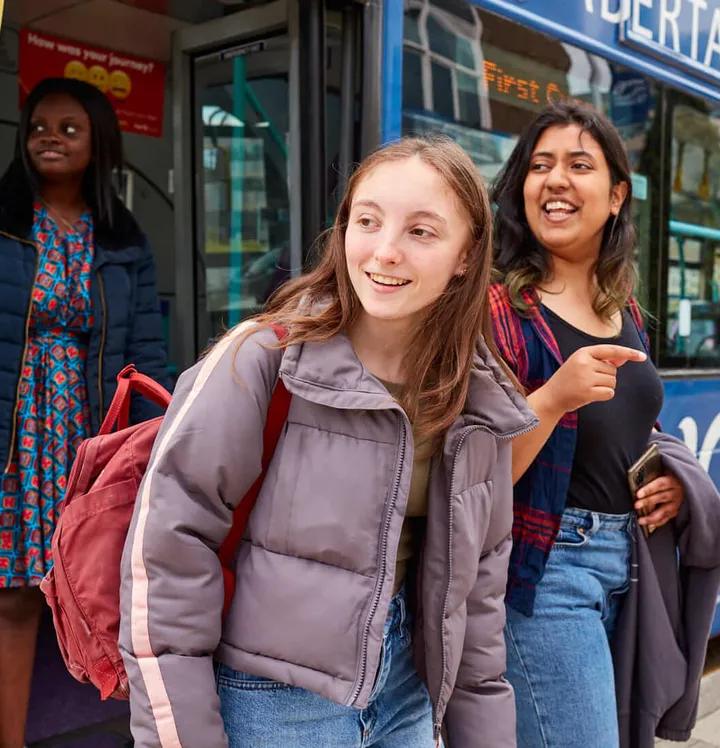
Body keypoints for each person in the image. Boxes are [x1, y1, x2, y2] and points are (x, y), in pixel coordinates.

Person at [119, 137, 534, 748]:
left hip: (406, 695)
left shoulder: (475, 398)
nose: (385, 251)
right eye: (367, 221)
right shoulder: (259, 360)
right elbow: (165, 562)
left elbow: (475, 607)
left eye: (422, 231)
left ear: (467, 255)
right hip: (272, 703)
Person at [489, 101, 686, 747]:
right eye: (540, 165)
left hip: (626, 559)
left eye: (579, 164)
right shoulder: (498, 307)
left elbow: (630, 427)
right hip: (544, 572)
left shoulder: (620, 303)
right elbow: (475, 472)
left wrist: (669, 479)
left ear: (615, 196)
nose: (555, 180)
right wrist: (550, 399)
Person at [0, 77, 169, 747]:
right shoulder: (7, 223)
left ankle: (135, 733)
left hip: (86, 438)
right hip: (15, 436)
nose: (51, 137)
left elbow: (146, 353)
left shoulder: (122, 241)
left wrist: (157, 445)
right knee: (14, 598)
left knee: (101, 589)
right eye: (40, 126)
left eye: (70, 129)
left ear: (99, 144)